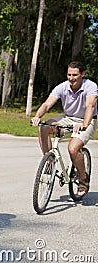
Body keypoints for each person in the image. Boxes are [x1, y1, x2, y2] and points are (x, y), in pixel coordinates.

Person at [31, 61, 98, 198]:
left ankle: (83, 180)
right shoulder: (62, 87)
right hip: (68, 118)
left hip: (87, 120)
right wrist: (37, 116)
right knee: (43, 127)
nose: (71, 78)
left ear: (82, 74)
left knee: (73, 148)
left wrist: (84, 124)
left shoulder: (91, 86)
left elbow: (90, 107)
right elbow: (47, 104)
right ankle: (49, 163)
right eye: (69, 74)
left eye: (75, 75)